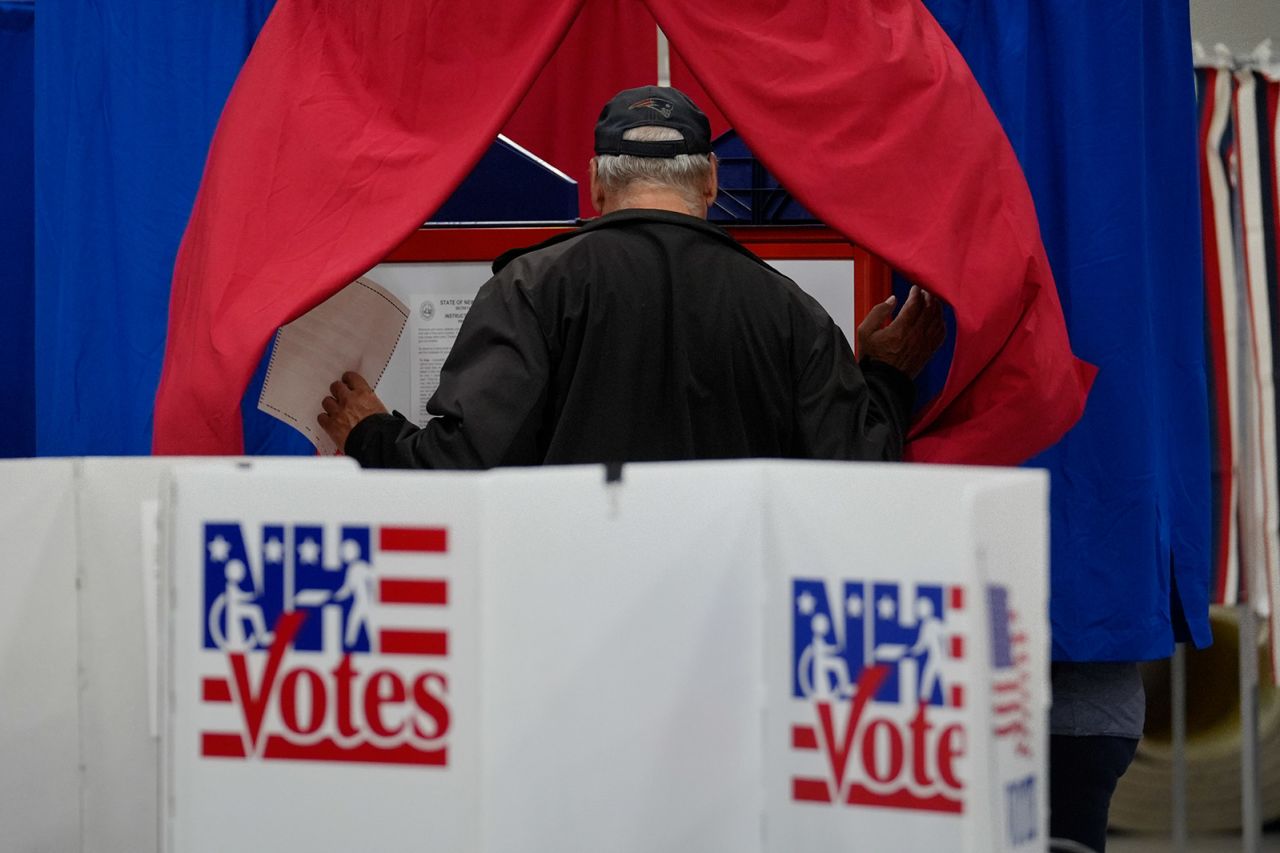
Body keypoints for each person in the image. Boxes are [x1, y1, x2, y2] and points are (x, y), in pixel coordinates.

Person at [318, 86, 944, 467]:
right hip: (726, 620)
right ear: (711, 181)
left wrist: (372, 434)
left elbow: (467, 462)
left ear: (595, 183)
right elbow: (856, 467)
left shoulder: (529, 289)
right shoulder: (789, 309)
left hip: (580, 617)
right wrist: (886, 375)